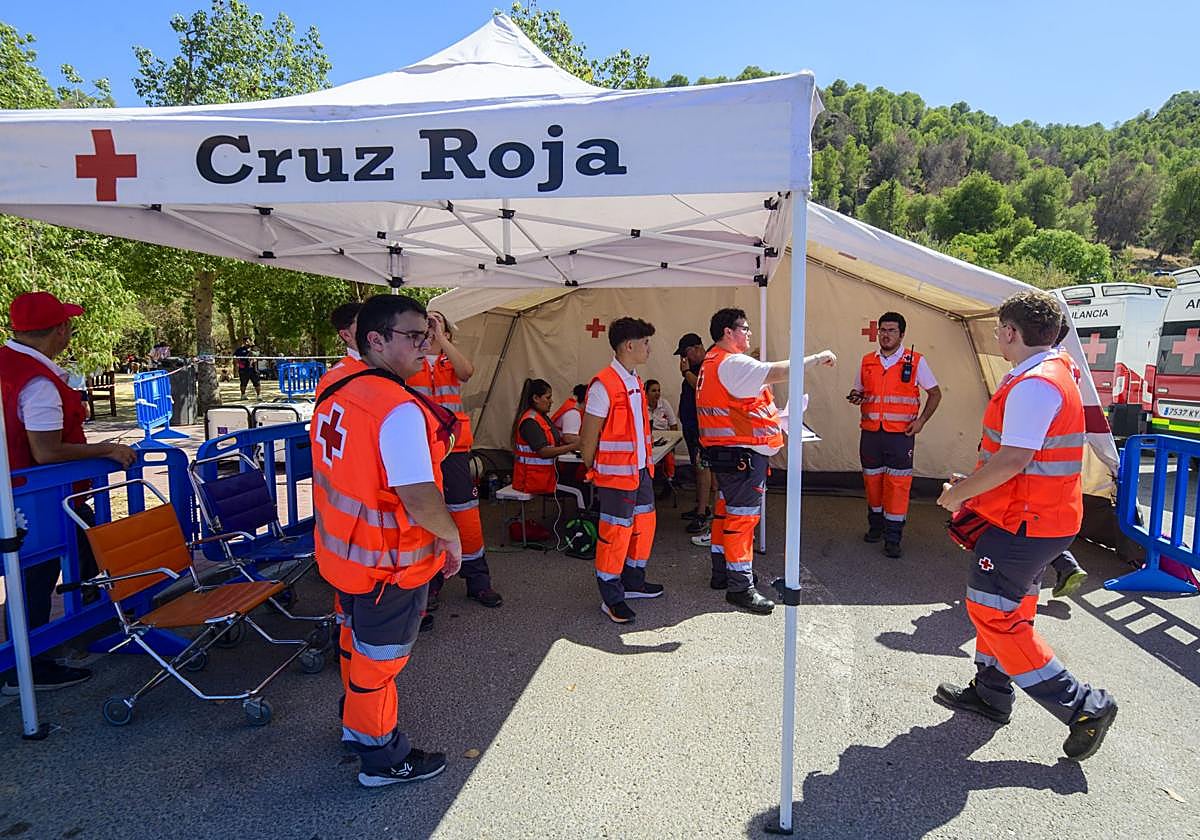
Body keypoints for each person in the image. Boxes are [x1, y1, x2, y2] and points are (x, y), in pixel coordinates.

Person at [935, 290, 1117, 762]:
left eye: (1000, 329)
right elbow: (1019, 460)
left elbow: (1014, 460)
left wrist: (960, 494)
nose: (998, 336)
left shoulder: (1035, 384)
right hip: (1038, 519)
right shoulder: (1053, 375)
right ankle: (992, 692)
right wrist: (977, 487)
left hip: (1026, 524)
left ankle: (1082, 706)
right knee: (1010, 607)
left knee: (994, 614)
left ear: (1012, 333)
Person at [310, 293, 459, 787]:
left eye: (428, 335)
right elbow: (416, 493)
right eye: (413, 337)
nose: (426, 347)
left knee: (355, 647)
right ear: (374, 340)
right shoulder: (397, 409)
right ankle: (382, 759)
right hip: (387, 565)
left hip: (343, 555)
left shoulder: (336, 382)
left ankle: (355, 727)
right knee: (380, 663)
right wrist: (451, 535)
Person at [0, 292, 137, 693]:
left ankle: (84, 622)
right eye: (67, 324)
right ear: (60, 330)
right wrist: (106, 448)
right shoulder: (38, 381)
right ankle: (27, 665)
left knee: (79, 553)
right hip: (40, 496)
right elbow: (46, 450)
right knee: (36, 575)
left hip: (23, 493)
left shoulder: (12, 366)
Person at [697, 307, 835, 615]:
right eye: (744, 328)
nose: (748, 333)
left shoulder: (711, 363)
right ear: (727, 333)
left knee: (726, 513)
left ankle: (724, 573)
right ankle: (740, 586)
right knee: (742, 520)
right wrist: (816, 358)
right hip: (742, 457)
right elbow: (782, 370)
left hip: (729, 455)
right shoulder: (732, 363)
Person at [407, 311, 502, 610]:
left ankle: (478, 581)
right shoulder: (412, 359)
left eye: (437, 321)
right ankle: (431, 583)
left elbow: (467, 372)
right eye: (427, 322)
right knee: (427, 515)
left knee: (466, 514)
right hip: (421, 448)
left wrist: (442, 339)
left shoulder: (451, 359)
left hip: (454, 449)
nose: (431, 325)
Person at [579, 317, 664, 624]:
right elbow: (588, 437)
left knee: (643, 527)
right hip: (616, 476)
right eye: (645, 342)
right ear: (630, 345)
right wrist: (594, 470)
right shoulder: (605, 384)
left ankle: (633, 581)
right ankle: (611, 597)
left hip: (640, 472)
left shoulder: (634, 379)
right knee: (615, 535)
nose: (649, 348)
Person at [847, 311, 942, 558]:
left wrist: (921, 421)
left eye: (891, 330)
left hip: (900, 435)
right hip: (870, 434)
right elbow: (858, 390)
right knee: (873, 481)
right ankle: (875, 527)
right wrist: (855, 396)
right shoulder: (867, 360)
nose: (885, 335)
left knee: (898, 485)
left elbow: (935, 393)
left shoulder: (916, 361)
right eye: (882, 330)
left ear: (902, 334)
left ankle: (893, 537)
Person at [675, 332, 716, 538]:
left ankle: (702, 513)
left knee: (702, 468)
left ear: (695, 349)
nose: (683, 359)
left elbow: (701, 387)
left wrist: (685, 373)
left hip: (701, 426)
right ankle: (702, 505)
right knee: (698, 467)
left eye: (685, 354)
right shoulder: (694, 367)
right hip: (691, 425)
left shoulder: (706, 365)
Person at [512, 378, 577, 494]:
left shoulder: (541, 417)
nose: (551, 401)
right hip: (534, 479)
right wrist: (573, 446)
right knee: (580, 488)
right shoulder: (530, 422)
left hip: (544, 476)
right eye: (548, 397)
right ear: (536, 398)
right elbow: (544, 452)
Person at [644, 379, 679, 492]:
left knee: (667, 455)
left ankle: (669, 481)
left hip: (664, 439)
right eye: (653, 391)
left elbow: (673, 425)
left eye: (659, 390)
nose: (657, 393)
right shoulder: (641, 406)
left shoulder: (664, 404)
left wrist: (673, 442)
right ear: (646, 393)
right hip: (648, 439)